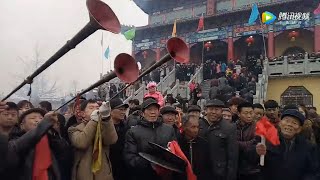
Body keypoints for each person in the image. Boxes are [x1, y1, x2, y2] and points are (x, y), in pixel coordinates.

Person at [4, 109, 72, 180]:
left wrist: (53, 130)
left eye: (41, 118)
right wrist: (44, 125)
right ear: (22, 125)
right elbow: (22, 143)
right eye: (33, 118)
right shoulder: (14, 140)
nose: (38, 120)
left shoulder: (50, 139)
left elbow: (65, 152)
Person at [256, 109, 320, 180]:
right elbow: (255, 163)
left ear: (299, 129)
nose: (289, 124)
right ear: (280, 123)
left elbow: (313, 171)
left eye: (294, 123)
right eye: (287, 121)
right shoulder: (267, 142)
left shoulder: (308, 147)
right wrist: (257, 153)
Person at [123, 98, 176, 180]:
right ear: (142, 113)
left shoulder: (169, 129)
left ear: (159, 112)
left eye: (155, 109)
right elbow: (130, 157)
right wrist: (151, 163)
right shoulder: (133, 132)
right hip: (142, 175)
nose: (153, 112)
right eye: (149, 109)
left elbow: (175, 152)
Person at [68, 100, 118, 180]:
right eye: (91, 108)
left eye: (98, 108)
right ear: (83, 113)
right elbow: (81, 143)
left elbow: (111, 140)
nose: (96, 110)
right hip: (83, 174)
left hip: (103, 174)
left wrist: (107, 117)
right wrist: (94, 120)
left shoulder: (104, 126)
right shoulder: (74, 129)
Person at [199, 99, 238, 180]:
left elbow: (232, 155)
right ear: (206, 110)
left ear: (221, 111)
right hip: (200, 171)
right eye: (211, 109)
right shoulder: (198, 124)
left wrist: (230, 176)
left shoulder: (229, 128)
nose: (213, 112)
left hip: (219, 172)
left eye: (216, 109)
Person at [177, 115, 212, 180]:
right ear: (184, 127)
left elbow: (208, 167)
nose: (196, 130)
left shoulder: (204, 144)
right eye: (193, 127)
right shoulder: (177, 143)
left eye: (198, 127)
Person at [236, 102, 261, 180]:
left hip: (253, 169)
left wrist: (239, 145)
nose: (249, 116)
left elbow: (256, 143)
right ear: (239, 114)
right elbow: (231, 143)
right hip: (236, 167)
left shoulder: (258, 127)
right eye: (246, 113)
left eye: (251, 113)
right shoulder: (232, 127)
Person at [109, 98, 130, 180]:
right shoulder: (103, 127)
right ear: (110, 111)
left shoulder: (126, 128)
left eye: (124, 110)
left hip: (123, 167)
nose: (123, 112)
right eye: (120, 109)